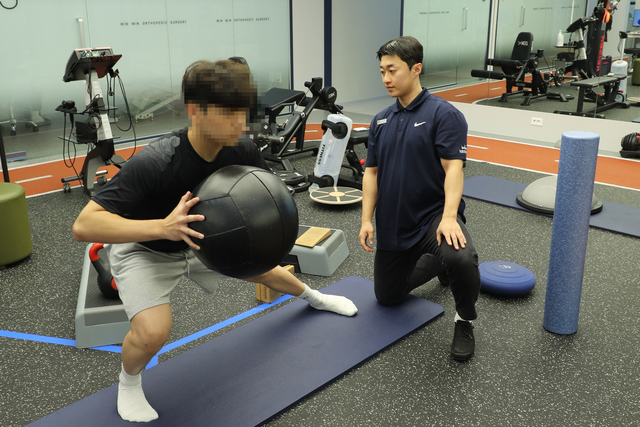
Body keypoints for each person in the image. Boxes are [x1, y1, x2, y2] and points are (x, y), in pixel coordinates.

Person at [73, 59, 357, 423]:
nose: (241, 123)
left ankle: (316, 298)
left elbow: (263, 195)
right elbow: (84, 225)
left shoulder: (242, 149)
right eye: (229, 114)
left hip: (206, 238)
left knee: (263, 267)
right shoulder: (157, 161)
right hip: (149, 246)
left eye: (243, 112)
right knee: (152, 333)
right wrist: (163, 227)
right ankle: (128, 383)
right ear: (196, 111)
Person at [358, 36, 480, 362]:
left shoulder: (444, 114)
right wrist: (366, 219)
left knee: (461, 258)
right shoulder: (380, 120)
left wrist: (450, 217)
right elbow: (371, 173)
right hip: (393, 221)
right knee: (387, 296)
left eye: (392, 70)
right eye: (382, 71)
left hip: (432, 216)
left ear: (416, 69)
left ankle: (464, 320)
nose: (386, 78)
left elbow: (454, 168)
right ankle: (438, 263)